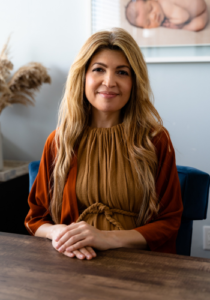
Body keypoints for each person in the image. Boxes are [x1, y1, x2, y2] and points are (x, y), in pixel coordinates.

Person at [25, 28, 183, 260]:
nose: (109, 82)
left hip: (138, 264)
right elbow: (35, 220)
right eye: (99, 69)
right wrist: (57, 232)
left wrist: (107, 238)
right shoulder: (59, 141)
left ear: (134, 82)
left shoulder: (155, 140)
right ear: (83, 76)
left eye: (122, 72)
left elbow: (169, 221)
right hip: (71, 261)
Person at [126, 0, 209, 31]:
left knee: (193, 25)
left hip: (198, 7)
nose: (153, 16)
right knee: (199, 25)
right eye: (148, 22)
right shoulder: (162, 16)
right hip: (201, 13)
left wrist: (180, 26)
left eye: (150, 9)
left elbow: (185, 16)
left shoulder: (165, 5)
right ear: (148, 28)